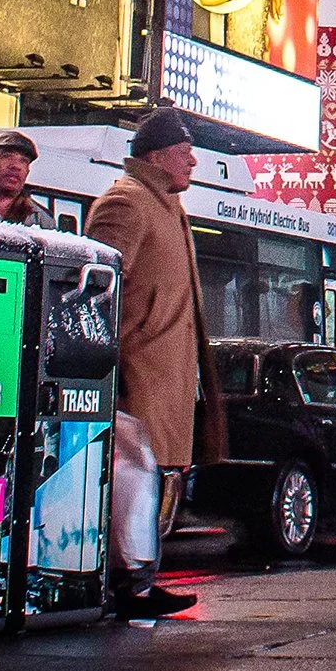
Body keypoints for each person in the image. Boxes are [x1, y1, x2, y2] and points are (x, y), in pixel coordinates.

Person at [87, 108, 225, 621]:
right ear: (157, 156)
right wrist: (111, 363)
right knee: (131, 479)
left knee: (152, 480)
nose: (192, 161)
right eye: (185, 151)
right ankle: (129, 584)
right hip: (134, 375)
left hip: (163, 377)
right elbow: (94, 289)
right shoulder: (126, 202)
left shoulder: (166, 205)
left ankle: (141, 579)